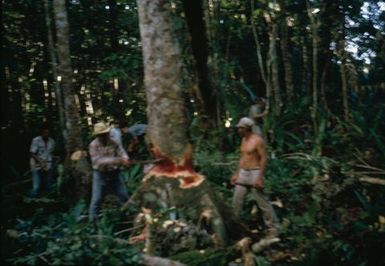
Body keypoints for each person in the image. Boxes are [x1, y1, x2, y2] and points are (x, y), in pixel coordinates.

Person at [231, 117, 279, 237]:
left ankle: (274, 228)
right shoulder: (243, 140)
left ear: (247, 128)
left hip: (254, 172)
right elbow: (243, 158)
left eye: (240, 128)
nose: (238, 130)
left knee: (262, 202)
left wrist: (259, 177)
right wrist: (237, 173)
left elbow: (264, 158)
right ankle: (234, 227)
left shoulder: (257, 140)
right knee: (236, 201)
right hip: (243, 172)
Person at [89, 122, 131, 221]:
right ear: (97, 135)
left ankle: (129, 217)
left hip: (114, 173)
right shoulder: (93, 145)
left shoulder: (114, 142)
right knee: (97, 198)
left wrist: (126, 159)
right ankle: (92, 222)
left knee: (123, 195)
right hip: (100, 174)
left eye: (105, 134)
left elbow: (122, 152)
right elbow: (98, 161)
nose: (104, 136)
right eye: (101, 135)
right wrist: (118, 160)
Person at [29, 125, 56, 197]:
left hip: (48, 164)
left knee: (48, 186)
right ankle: (32, 197)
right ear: (41, 133)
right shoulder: (36, 140)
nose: (46, 134)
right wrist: (41, 163)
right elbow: (33, 153)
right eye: (44, 132)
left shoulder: (52, 141)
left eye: (48, 133)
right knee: (36, 187)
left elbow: (50, 153)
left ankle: (46, 200)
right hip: (36, 163)